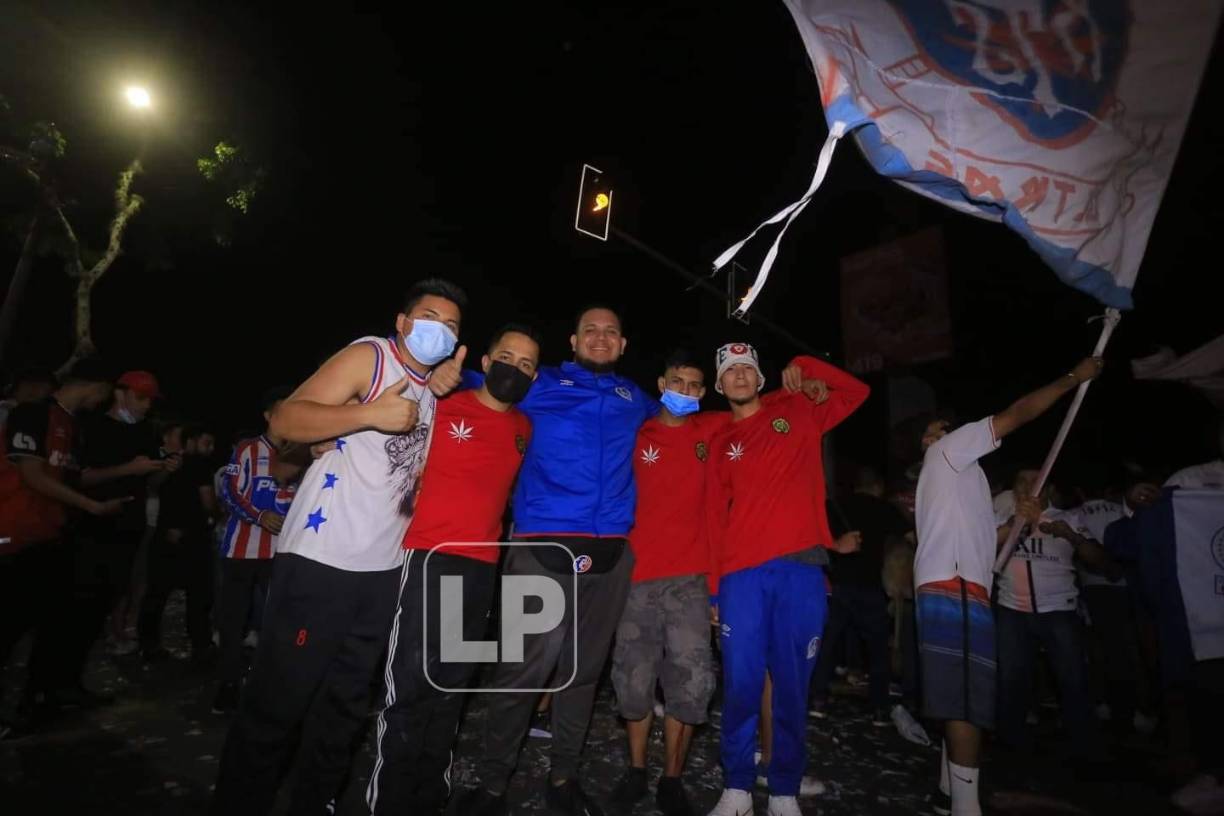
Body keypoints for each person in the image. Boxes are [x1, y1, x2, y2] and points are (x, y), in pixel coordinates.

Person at [212, 279, 467, 816]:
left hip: (382, 572)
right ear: (402, 322)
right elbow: (285, 421)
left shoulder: (435, 393)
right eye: (428, 318)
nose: (437, 332)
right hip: (322, 561)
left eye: (450, 326)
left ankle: (317, 798)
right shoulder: (369, 355)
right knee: (281, 699)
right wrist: (367, 414)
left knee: (346, 705)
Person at [455, 305, 656, 816]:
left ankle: (564, 777)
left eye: (611, 330)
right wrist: (440, 371)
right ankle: (493, 784)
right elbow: (468, 382)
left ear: (624, 344)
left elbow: (684, 426)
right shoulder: (539, 382)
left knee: (582, 674)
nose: (600, 337)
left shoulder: (637, 399)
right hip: (543, 545)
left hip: (610, 552)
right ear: (573, 340)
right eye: (590, 329)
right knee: (522, 673)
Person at [912, 356, 1103, 816]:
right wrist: (1072, 377)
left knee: (952, 692)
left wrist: (1017, 520)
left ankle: (948, 789)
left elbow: (983, 538)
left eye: (935, 430)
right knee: (965, 700)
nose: (930, 436)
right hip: (954, 585)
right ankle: (966, 807)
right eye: (935, 430)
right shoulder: (951, 451)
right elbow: (1019, 412)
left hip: (954, 581)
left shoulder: (956, 479)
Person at [366, 324, 538, 816]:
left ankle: (429, 795)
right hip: (428, 558)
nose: (516, 369)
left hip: (482, 568)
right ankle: (390, 802)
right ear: (485, 361)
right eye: (507, 357)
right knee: (410, 688)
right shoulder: (441, 405)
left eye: (527, 364)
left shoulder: (525, 429)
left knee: (450, 689)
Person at [704, 343, 869, 816]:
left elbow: (857, 390)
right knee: (740, 684)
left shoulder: (799, 408)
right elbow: (715, 521)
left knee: (793, 686)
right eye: (729, 370)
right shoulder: (719, 443)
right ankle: (736, 787)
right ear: (720, 384)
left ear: (760, 378)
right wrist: (714, 591)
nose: (739, 376)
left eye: (747, 369)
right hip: (741, 577)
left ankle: (783, 791)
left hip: (801, 572)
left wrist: (805, 368)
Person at [607, 348, 720, 816]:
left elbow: (759, 407)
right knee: (633, 683)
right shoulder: (636, 431)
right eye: (678, 382)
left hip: (691, 580)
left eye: (695, 385)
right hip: (635, 576)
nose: (686, 392)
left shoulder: (712, 431)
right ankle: (635, 770)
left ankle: (672, 779)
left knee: (691, 684)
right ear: (661, 383)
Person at [0, 359, 124, 734]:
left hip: (50, 535)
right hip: (15, 534)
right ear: (96, 386)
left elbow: (75, 476)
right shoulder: (32, 414)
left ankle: (45, 696)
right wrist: (91, 507)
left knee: (62, 620)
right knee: (9, 626)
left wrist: (127, 471)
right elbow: (32, 474)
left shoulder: (72, 425)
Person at [993, 469, 1109, 762]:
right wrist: (1012, 525)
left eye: (1035, 481)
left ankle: (1085, 750)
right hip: (1011, 610)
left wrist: (1069, 536)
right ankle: (1011, 746)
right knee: (1011, 680)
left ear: (1048, 488)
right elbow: (981, 550)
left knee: (1072, 680)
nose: (1027, 487)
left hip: (1059, 610)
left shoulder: (1068, 518)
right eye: (1021, 481)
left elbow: (1099, 559)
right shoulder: (1002, 518)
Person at [211, 392, 296, 714]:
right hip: (240, 551)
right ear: (267, 415)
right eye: (281, 412)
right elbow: (229, 493)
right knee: (233, 622)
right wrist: (260, 516)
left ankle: (272, 682)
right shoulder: (248, 449)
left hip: (282, 553)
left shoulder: (301, 454)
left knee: (278, 620)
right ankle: (229, 684)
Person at [810, 465, 910, 725]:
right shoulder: (884, 509)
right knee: (878, 651)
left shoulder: (835, 505)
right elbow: (911, 537)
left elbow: (817, 537)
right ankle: (879, 708)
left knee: (827, 646)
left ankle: (818, 700)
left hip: (837, 586)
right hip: (870, 587)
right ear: (877, 487)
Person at [137, 424, 220, 663]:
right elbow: (207, 501)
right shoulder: (200, 465)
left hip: (165, 534)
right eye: (206, 442)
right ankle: (201, 644)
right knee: (199, 595)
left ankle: (149, 644)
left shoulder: (167, 464)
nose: (209, 448)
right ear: (191, 441)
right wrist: (218, 512)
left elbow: (152, 486)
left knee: (157, 592)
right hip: (194, 537)